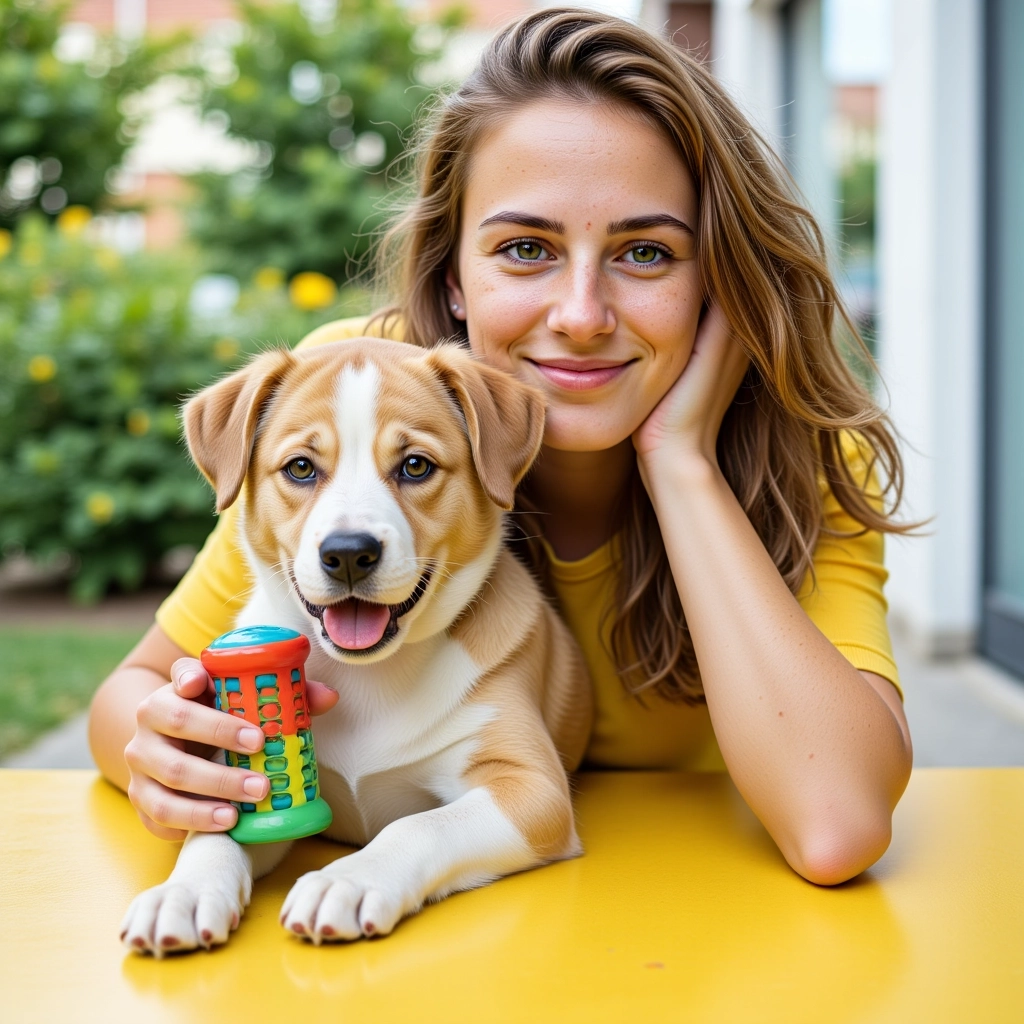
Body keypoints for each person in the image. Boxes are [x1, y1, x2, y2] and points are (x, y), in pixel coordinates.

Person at [89, 8, 912, 885]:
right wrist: (169, 756)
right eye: (525, 248)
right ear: (454, 275)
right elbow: (131, 692)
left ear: (716, 278)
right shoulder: (352, 394)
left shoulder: (804, 459)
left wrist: (682, 462)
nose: (582, 316)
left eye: (646, 252)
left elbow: (836, 826)